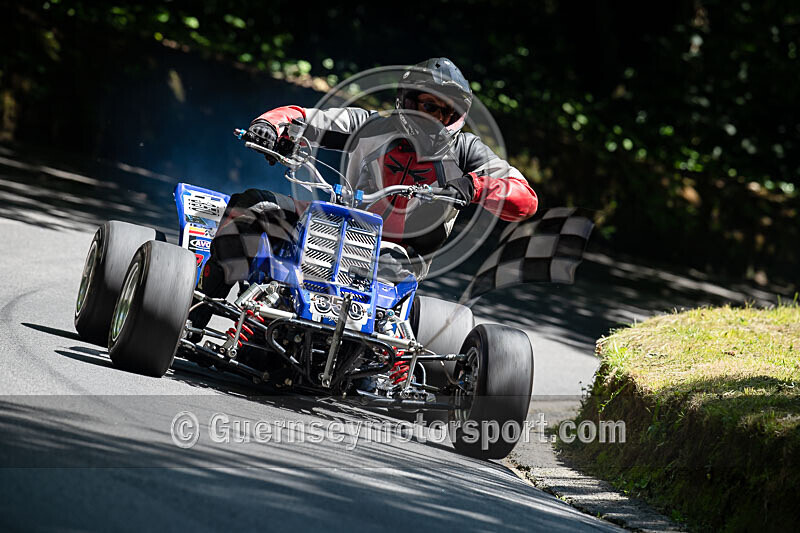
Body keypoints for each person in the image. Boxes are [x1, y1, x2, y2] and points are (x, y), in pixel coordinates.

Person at [188, 57, 537, 331]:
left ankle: (376, 355)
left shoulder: (467, 152)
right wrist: (269, 126)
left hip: (401, 256)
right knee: (253, 205)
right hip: (332, 226)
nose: (439, 118)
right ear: (409, 101)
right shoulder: (369, 125)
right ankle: (203, 303)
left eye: (448, 112)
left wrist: (473, 186)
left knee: (388, 284)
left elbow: (525, 199)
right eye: (432, 107)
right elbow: (301, 118)